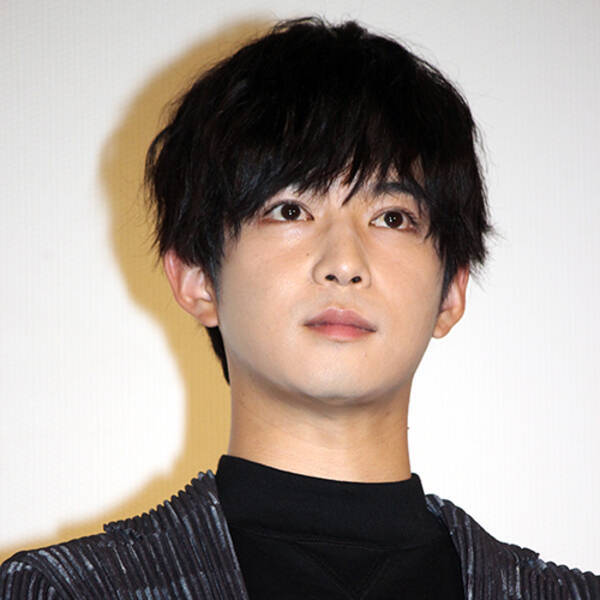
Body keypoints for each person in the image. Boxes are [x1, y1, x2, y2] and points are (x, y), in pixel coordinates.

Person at [1, 16, 598, 600]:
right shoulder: (62, 590)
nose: (344, 263)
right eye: (291, 210)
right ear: (197, 278)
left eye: (392, 218)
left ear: (452, 290)